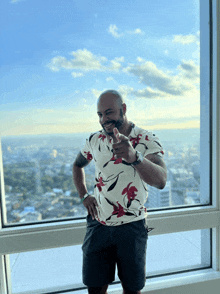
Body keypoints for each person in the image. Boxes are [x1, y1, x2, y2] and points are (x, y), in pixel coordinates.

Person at [73, 90, 167, 294]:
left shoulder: (145, 139)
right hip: (98, 224)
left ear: (123, 109)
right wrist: (84, 195)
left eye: (109, 112)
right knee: (95, 289)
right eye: (100, 114)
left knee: (132, 290)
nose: (104, 120)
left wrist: (135, 157)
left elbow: (161, 181)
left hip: (132, 228)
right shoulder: (94, 140)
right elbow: (77, 165)